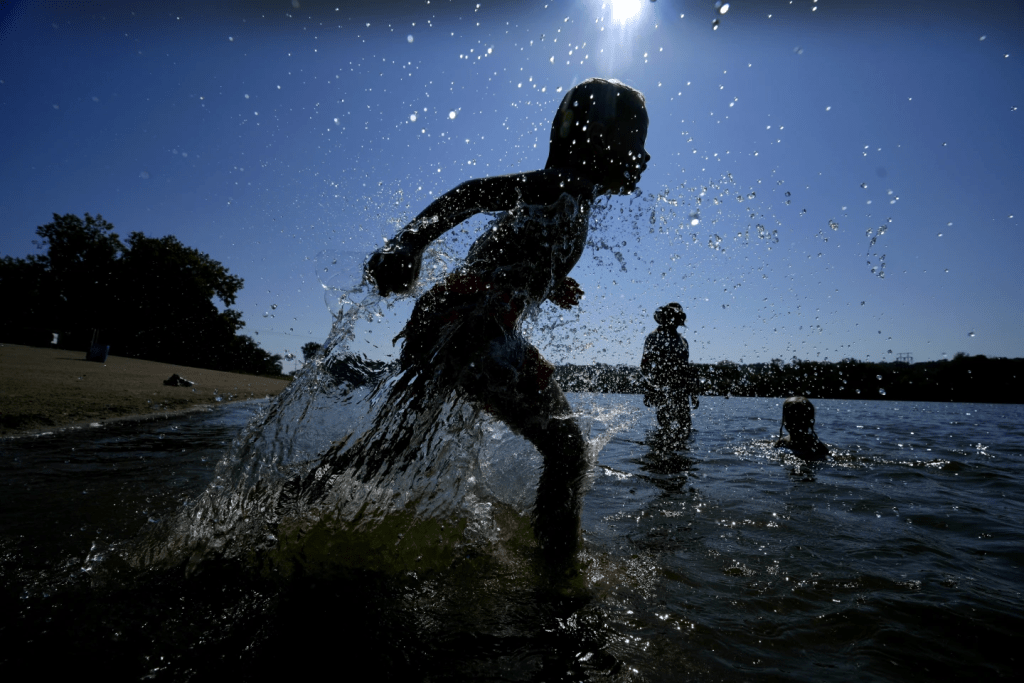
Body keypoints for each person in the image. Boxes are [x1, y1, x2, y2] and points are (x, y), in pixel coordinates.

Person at [281, 78, 650, 562]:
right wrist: (408, 242)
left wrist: (549, 279)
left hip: (458, 320)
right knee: (566, 449)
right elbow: (470, 193)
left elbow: (510, 251)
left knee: (395, 448)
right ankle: (558, 574)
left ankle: (290, 499)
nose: (639, 157)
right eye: (635, 141)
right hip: (470, 322)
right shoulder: (562, 184)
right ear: (596, 136)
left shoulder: (571, 197)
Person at [641, 303, 698, 437]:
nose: (674, 322)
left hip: (681, 390)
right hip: (661, 388)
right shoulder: (653, 337)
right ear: (663, 318)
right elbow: (645, 365)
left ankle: (681, 454)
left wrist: (693, 393)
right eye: (670, 317)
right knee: (664, 428)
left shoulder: (683, 341)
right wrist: (648, 389)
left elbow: (686, 368)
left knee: (685, 428)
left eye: (677, 318)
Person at [775, 396, 829, 460]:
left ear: (810, 422)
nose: (794, 423)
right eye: (790, 418)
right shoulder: (781, 443)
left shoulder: (817, 446)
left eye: (800, 419)